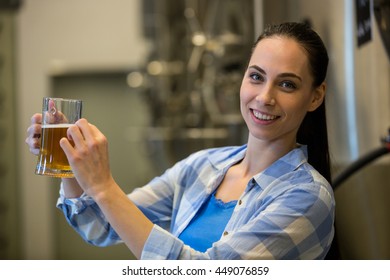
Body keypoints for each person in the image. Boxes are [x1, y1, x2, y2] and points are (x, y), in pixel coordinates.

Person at [26, 22, 335, 260]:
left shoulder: (307, 197)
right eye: (256, 76)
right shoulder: (203, 166)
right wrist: (70, 162)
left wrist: (104, 186)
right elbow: (99, 226)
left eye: (286, 84)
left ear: (315, 96)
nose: (264, 97)